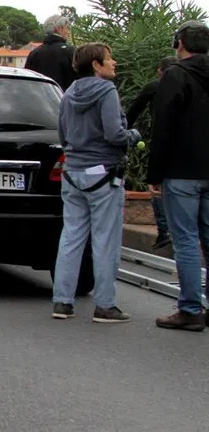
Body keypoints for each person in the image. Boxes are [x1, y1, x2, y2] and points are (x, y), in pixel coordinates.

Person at [49, 43, 140, 322]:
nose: (114, 62)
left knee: (71, 237)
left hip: (73, 172)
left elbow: (63, 134)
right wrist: (132, 136)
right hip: (103, 173)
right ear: (97, 65)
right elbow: (114, 133)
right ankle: (105, 305)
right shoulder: (107, 91)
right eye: (109, 58)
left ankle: (62, 302)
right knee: (105, 240)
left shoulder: (69, 93)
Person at [147, 20, 209, 331]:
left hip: (182, 169)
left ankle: (189, 308)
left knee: (185, 240)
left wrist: (154, 172)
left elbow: (164, 128)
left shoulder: (175, 76)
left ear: (179, 43)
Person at [126, 56, 178, 250]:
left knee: (156, 185)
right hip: (189, 148)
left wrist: (125, 131)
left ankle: (164, 230)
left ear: (160, 71)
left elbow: (133, 111)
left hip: (162, 142)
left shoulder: (155, 87)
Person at [25, 14, 77, 92]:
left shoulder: (34, 53)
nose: (69, 32)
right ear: (59, 29)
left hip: (39, 98)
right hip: (65, 99)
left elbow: (28, 79)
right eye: (67, 28)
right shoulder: (70, 51)